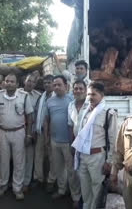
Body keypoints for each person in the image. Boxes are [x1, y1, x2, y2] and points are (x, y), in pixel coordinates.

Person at [72, 82, 117, 209]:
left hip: (97, 157)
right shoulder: (85, 112)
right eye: (89, 94)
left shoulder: (108, 113)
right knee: (85, 189)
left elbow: (113, 140)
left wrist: (109, 161)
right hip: (83, 156)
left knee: (97, 189)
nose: (90, 97)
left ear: (102, 95)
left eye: (94, 94)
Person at [0, 73, 34, 200]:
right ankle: (3, 185)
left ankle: (17, 188)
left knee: (19, 161)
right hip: (3, 132)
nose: (9, 83)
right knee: (3, 160)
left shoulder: (24, 96)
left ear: (17, 84)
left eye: (12, 81)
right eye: (7, 81)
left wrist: (28, 134)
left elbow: (30, 116)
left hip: (19, 132)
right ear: (4, 83)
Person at [44, 75, 81, 208]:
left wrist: (74, 142)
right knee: (59, 168)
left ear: (66, 86)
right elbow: (47, 120)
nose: (56, 87)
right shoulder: (49, 101)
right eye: (55, 85)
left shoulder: (72, 100)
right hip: (55, 141)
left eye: (59, 84)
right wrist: (47, 138)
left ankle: (76, 196)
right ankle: (61, 190)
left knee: (71, 170)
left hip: (68, 142)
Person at [33, 75, 57, 192]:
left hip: (52, 133)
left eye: (49, 82)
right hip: (40, 131)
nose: (47, 85)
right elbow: (36, 113)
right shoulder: (41, 97)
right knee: (38, 156)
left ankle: (51, 181)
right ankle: (39, 178)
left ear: (54, 83)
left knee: (52, 158)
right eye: (45, 83)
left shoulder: (56, 97)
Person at [21, 74, 41, 192]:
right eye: (29, 81)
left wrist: (32, 133)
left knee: (29, 157)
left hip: (30, 131)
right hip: (17, 130)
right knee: (17, 158)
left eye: (33, 82)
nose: (30, 83)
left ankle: (26, 182)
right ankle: (15, 180)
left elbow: (37, 116)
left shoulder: (38, 97)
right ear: (24, 81)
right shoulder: (17, 93)